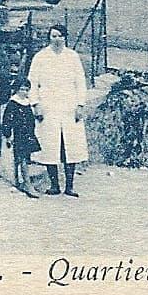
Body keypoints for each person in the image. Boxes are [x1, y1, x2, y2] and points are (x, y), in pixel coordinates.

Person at [28, 23, 89, 196]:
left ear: (64, 38)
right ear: (49, 38)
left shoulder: (72, 56)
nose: (56, 39)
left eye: (59, 36)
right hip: (48, 106)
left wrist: (80, 105)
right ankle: (54, 185)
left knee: (70, 146)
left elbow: (80, 82)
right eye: (53, 36)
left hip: (69, 106)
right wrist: (36, 103)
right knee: (50, 146)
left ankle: (69, 186)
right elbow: (32, 83)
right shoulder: (41, 57)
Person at [0, 80, 41, 198]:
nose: (24, 92)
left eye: (27, 90)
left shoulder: (26, 103)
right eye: (22, 89)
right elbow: (7, 121)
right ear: (16, 89)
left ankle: (21, 181)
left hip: (28, 134)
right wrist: (8, 135)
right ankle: (26, 183)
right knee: (20, 158)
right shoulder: (13, 103)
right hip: (18, 135)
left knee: (25, 158)